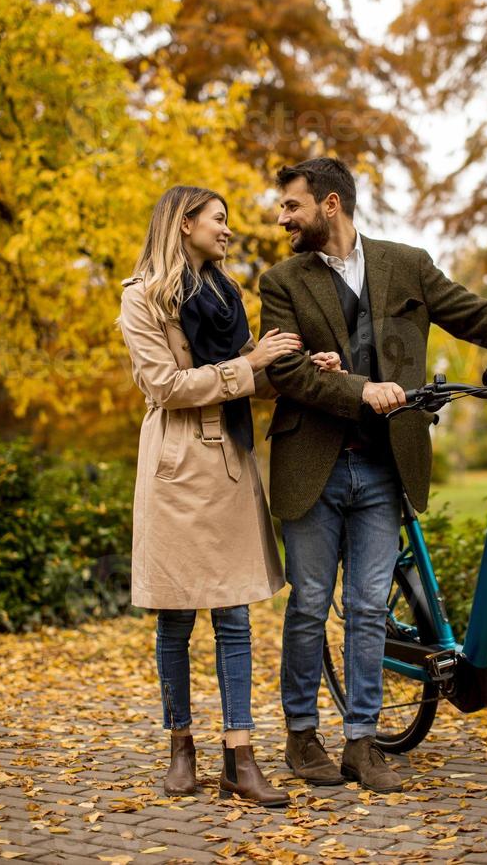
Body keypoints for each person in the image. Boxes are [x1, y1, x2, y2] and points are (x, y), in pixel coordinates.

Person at [258, 156, 487, 794]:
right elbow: (285, 373)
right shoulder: (282, 281)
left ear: (330, 204)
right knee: (306, 609)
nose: (282, 218)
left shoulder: (406, 263)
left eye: (291, 206)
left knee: (364, 609)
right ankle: (302, 739)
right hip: (312, 467)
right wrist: (361, 389)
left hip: (387, 466)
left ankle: (360, 744)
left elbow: (476, 314)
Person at [117, 184, 308, 807]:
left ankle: (240, 755)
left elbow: (239, 382)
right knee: (175, 617)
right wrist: (251, 363)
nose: (227, 231)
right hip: (175, 467)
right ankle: (181, 745)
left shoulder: (227, 297)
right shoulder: (141, 299)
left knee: (233, 613)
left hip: (227, 461)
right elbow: (166, 385)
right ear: (184, 223)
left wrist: (293, 373)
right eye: (218, 220)